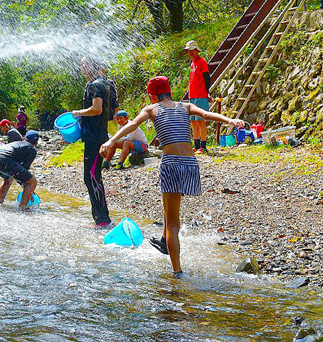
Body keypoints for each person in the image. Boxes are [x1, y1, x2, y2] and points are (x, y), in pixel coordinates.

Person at [100, 76, 244, 276]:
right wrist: (230, 120)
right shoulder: (185, 106)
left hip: (172, 163)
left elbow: (131, 125)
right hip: (190, 164)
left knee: (173, 223)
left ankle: (177, 272)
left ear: (152, 95)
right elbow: (206, 114)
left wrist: (110, 141)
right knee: (170, 208)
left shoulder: (152, 109)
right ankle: (163, 239)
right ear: (170, 92)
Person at [72, 56, 117, 228]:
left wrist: (78, 113)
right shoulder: (105, 83)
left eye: (84, 64)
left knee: (91, 177)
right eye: (81, 64)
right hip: (98, 136)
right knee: (93, 177)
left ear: (93, 66)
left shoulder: (95, 85)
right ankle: (101, 218)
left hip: (95, 139)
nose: (81, 67)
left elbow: (97, 109)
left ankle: (102, 220)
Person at [0, 131, 39, 210]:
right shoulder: (31, 149)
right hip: (4, 160)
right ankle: (22, 209)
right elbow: (24, 172)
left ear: (24, 139)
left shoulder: (17, 143)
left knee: (8, 179)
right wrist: (29, 189)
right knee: (32, 182)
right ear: (36, 144)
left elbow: (17, 173)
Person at [185, 40, 212, 155]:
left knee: (201, 121)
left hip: (201, 94)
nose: (190, 53)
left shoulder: (202, 62)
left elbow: (207, 78)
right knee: (193, 121)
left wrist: (208, 92)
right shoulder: (192, 63)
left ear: (196, 50)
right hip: (193, 95)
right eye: (188, 51)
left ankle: (203, 146)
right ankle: (196, 146)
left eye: (192, 50)